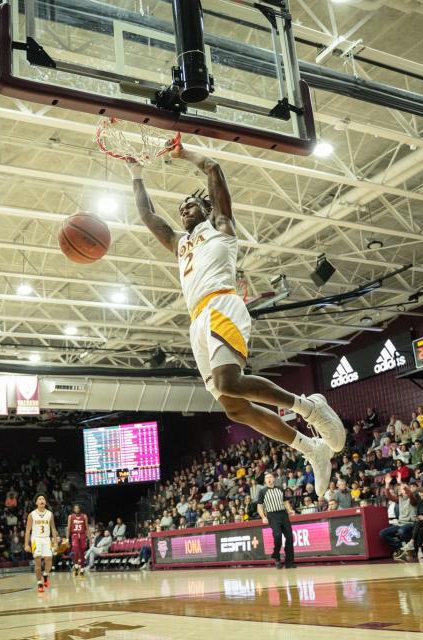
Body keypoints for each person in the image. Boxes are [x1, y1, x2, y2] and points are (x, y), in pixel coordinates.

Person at [127, 146, 344, 499]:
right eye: (181, 207)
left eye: (191, 204)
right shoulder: (180, 244)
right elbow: (149, 215)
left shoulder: (222, 229)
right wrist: (136, 173)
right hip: (197, 320)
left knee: (230, 380)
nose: (184, 208)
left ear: (208, 211)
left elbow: (213, 168)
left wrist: (185, 154)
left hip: (222, 304)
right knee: (234, 406)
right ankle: (310, 448)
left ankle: (310, 407)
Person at [257, 472, 296, 569]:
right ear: (265, 480)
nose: (269, 479)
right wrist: (263, 517)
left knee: (290, 537)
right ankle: (277, 556)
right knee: (277, 535)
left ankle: (289, 562)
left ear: (274, 479)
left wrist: (290, 510)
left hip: (283, 514)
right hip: (272, 515)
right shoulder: (262, 492)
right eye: (267, 478)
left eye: (270, 477)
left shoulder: (280, 489)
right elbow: (260, 506)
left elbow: (285, 501)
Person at [24, 494, 58, 592]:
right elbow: (27, 530)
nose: (42, 500)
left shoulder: (50, 514)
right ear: (36, 503)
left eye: (43, 498)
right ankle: (39, 583)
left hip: (46, 539)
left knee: (49, 559)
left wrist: (55, 542)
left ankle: (45, 574)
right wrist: (26, 544)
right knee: (38, 561)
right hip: (36, 539)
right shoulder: (32, 515)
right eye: (39, 499)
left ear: (45, 502)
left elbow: (53, 528)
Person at [67, 504, 89, 576]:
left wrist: (90, 538)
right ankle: (76, 565)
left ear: (80, 509)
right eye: (75, 508)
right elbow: (68, 528)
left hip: (82, 534)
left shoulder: (84, 516)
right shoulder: (71, 517)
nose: (76, 509)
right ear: (73, 509)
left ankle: (82, 568)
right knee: (75, 551)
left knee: (82, 552)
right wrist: (67, 538)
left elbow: (87, 528)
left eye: (77, 508)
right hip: (74, 535)